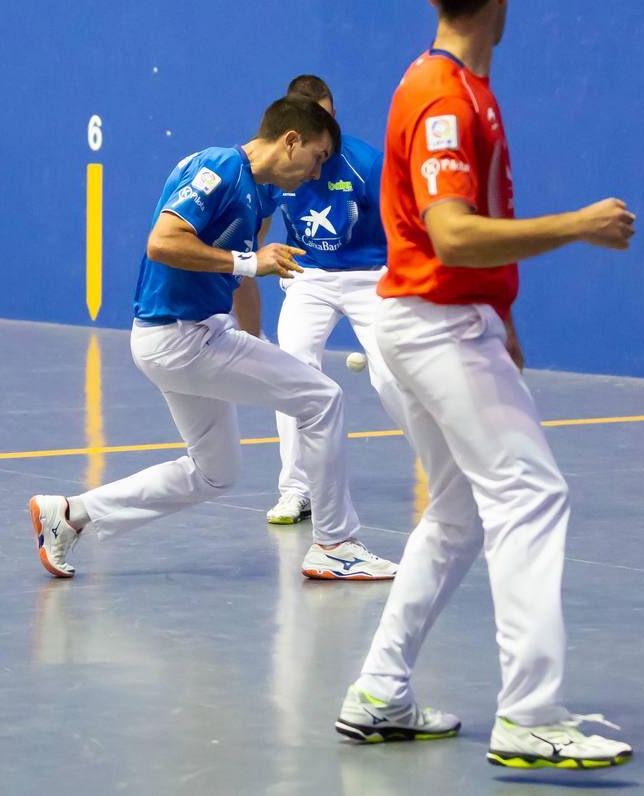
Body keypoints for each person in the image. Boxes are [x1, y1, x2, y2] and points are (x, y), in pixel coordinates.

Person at [332, 0, 636, 769]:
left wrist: (501, 317)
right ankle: (529, 714)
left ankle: (379, 693)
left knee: (459, 511)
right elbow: (454, 234)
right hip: (432, 324)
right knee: (531, 494)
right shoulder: (442, 99)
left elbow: (465, 250)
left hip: (441, 321)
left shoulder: (460, 85)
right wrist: (577, 226)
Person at [28, 97, 397, 581]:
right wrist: (249, 264)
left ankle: (70, 515)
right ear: (291, 141)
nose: (315, 174)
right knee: (322, 399)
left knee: (215, 473)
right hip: (180, 338)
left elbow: (246, 276)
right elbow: (163, 241)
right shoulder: (219, 168)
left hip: (189, 336)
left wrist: (253, 338)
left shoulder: (261, 194)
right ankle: (333, 543)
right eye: (317, 157)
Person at [234, 75, 411, 526]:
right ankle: (297, 489)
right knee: (292, 368)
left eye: (331, 119)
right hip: (309, 275)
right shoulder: (278, 163)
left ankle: (450, 472)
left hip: (372, 275)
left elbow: (404, 225)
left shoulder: (364, 162)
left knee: (392, 377)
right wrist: (250, 264)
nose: (327, 134)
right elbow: (257, 229)